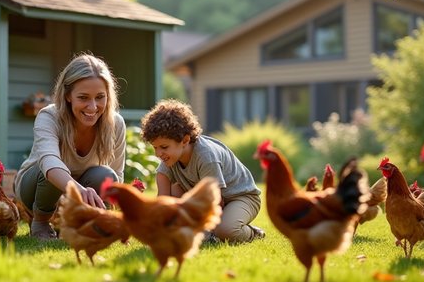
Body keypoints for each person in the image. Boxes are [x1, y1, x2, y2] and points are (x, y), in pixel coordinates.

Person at [15, 53, 126, 240]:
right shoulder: (49, 117)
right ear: (68, 96)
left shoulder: (115, 124)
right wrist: (79, 190)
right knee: (50, 168)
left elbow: (117, 175)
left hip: (80, 193)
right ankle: (41, 223)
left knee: (106, 175)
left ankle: (84, 223)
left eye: (100, 97)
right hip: (36, 190)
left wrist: (110, 215)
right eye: (83, 97)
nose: (92, 107)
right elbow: (49, 164)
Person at [140, 99, 265, 244]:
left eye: (164, 147)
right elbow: (163, 201)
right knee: (174, 192)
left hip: (241, 198)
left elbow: (215, 201)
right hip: (209, 200)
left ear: (185, 140)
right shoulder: (169, 159)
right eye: (155, 148)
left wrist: (204, 232)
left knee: (225, 231)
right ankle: (211, 231)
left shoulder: (207, 157)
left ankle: (254, 233)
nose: (158, 154)